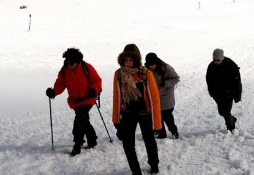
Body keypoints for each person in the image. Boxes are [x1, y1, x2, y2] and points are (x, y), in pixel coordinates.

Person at [112, 44, 162, 175]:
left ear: (136, 60)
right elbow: (117, 98)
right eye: (126, 60)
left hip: (145, 113)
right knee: (127, 144)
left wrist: (157, 123)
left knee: (149, 140)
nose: (128, 63)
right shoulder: (118, 75)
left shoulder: (145, 73)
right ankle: (136, 171)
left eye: (131, 60)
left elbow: (154, 98)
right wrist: (116, 120)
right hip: (128, 113)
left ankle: (154, 164)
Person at [45, 48, 102, 156]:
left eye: (73, 63)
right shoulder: (64, 71)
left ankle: (77, 143)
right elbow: (60, 85)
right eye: (68, 62)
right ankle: (92, 139)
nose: (70, 65)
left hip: (88, 98)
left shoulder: (87, 67)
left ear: (78, 61)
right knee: (84, 120)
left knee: (80, 119)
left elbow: (97, 80)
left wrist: (94, 89)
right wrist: (53, 92)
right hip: (75, 101)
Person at [145, 52, 180, 139]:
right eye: (150, 65)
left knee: (168, 119)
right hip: (154, 100)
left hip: (166, 100)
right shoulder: (145, 71)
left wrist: (166, 83)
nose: (152, 67)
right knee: (157, 118)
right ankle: (161, 133)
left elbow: (176, 78)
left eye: (153, 64)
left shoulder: (166, 68)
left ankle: (174, 132)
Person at [206, 48, 242, 132]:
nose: (216, 62)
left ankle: (231, 127)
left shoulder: (230, 64)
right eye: (215, 60)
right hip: (217, 93)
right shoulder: (211, 66)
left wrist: (237, 94)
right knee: (222, 112)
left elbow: (237, 80)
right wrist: (211, 91)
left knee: (225, 111)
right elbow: (208, 79)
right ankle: (232, 119)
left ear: (222, 58)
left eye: (218, 60)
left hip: (229, 93)